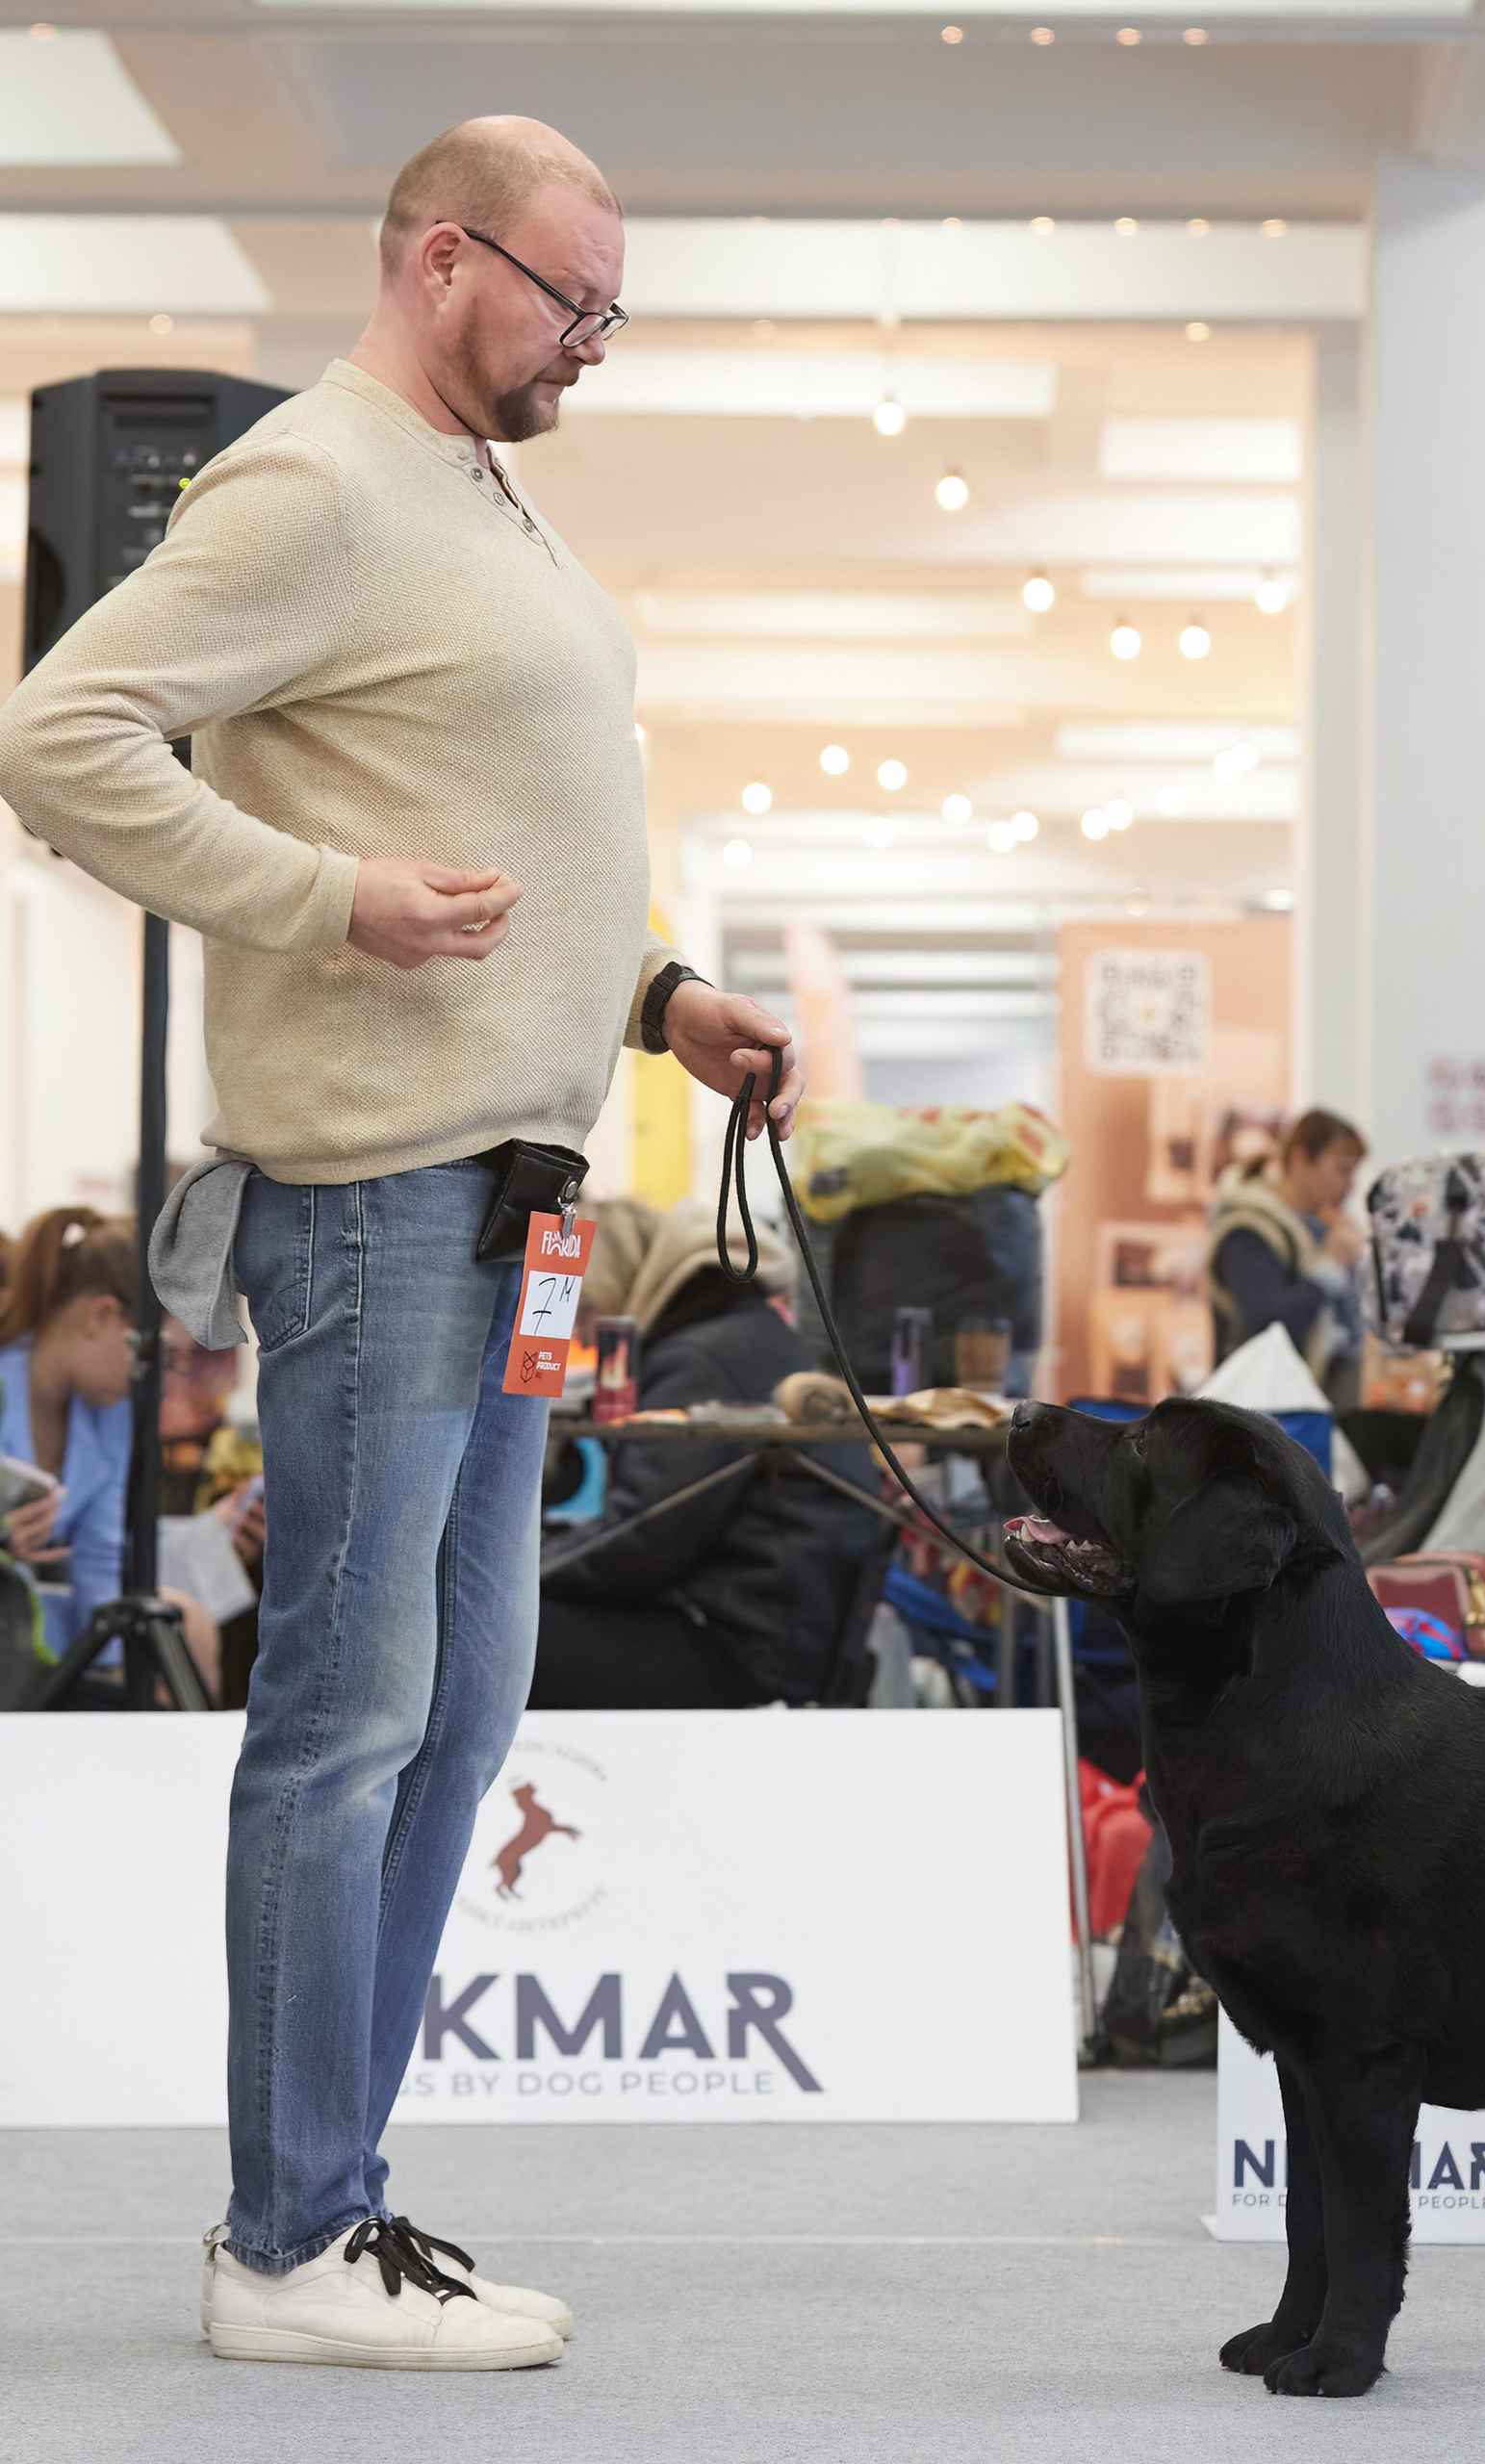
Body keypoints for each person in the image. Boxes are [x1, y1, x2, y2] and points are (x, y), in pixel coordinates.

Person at [0, 115, 802, 2369]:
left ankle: (335, 2199)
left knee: (456, 1719)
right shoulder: (311, 480)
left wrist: (660, 999)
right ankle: (284, 2236)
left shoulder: (476, 491)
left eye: (607, 310)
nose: (592, 345)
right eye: (573, 301)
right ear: (443, 259)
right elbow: (56, 734)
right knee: (344, 1725)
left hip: (512, 1207)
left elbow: (493, 820)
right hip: (367, 1205)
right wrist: (315, 896)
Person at [530, 1198, 891, 1708]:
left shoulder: (698, 1357)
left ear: (618, 1285)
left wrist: (523, 1571)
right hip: (777, 1634)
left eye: (584, 1310)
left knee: (490, 1640)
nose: (578, 1333)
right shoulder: (735, 1335)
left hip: (740, 1652)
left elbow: (644, 1540)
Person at [0, 1206, 223, 1694]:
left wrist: (116, 1676)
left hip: (49, 1637)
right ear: (101, 1316)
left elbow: (98, 1558)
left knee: (191, 1627)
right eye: (159, 1357)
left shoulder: (113, 1415)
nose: (164, 1382)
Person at [1203, 1108, 1369, 1396]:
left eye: (1353, 1172)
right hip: (1263, 1411)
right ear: (1300, 1158)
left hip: (1320, 1402)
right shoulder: (1249, 1231)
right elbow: (1268, 1328)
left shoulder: (1325, 1231)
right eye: (1342, 1170)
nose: (1349, 1185)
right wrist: (1330, 1266)